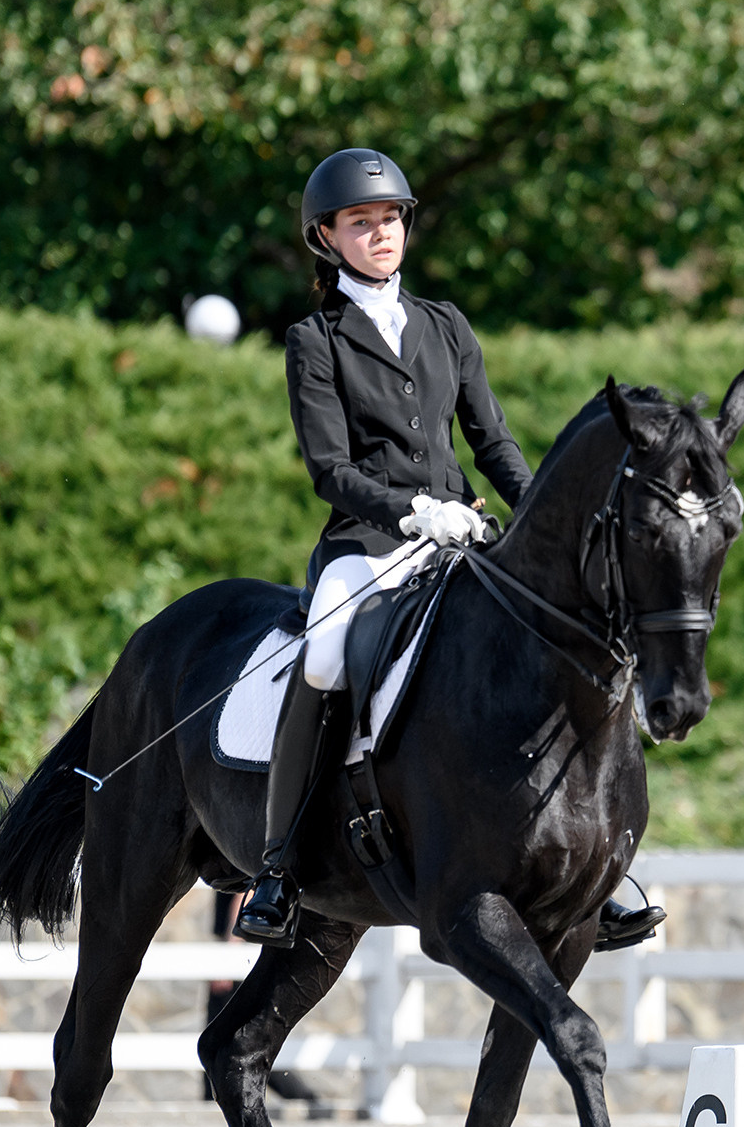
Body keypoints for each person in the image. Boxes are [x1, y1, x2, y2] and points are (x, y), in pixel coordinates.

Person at [234, 148, 664, 953]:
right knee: (325, 654)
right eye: (360, 223)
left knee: (556, 641)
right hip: (367, 546)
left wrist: (539, 518)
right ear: (327, 238)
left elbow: (492, 440)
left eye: (390, 218)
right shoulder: (313, 340)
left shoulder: (446, 325)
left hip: (463, 537)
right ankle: (280, 865)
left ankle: (592, 871)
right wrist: (416, 510)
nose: (380, 233)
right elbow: (331, 471)